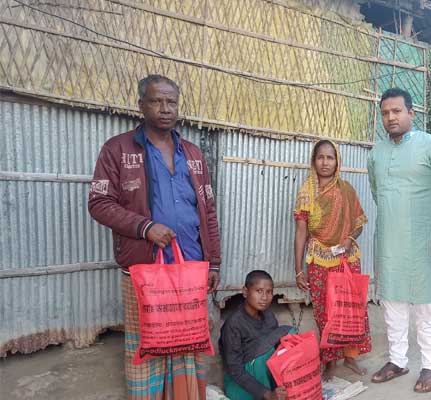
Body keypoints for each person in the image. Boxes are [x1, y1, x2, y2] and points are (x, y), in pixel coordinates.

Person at [88, 74, 221, 399]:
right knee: (148, 344)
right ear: (141, 105)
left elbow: (208, 210)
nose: (165, 108)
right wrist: (145, 227)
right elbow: (98, 203)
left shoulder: (192, 154)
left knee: (188, 341)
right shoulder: (117, 149)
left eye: (171, 102)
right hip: (144, 272)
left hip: (190, 267)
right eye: (156, 101)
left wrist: (213, 262)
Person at [367, 88, 431, 393]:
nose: (391, 117)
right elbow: (377, 193)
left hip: (423, 243)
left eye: (397, 111)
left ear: (411, 113)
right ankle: (397, 360)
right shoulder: (376, 152)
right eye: (386, 113)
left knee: (426, 309)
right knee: (392, 306)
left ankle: (430, 367)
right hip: (389, 243)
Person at [293, 139, 372, 381]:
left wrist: (348, 238)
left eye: (330, 157)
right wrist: (298, 270)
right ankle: (330, 360)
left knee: (349, 309)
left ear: (337, 161)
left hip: (346, 258)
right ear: (313, 161)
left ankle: (350, 355)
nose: (325, 162)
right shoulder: (307, 192)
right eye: (321, 157)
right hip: (318, 258)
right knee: (324, 311)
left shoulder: (346, 189)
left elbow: (358, 224)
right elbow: (301, 232)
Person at [219, 270, 292, 400]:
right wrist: (267, 394)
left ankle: (283, 388)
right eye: (259, 291)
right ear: (245, 292)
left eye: (269, 292)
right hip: (240, 384)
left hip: (264, 374)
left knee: (290, 335)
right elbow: (234, 369)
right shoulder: (233, 324)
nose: (264, 297)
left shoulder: (268, 316)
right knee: (264, 354)